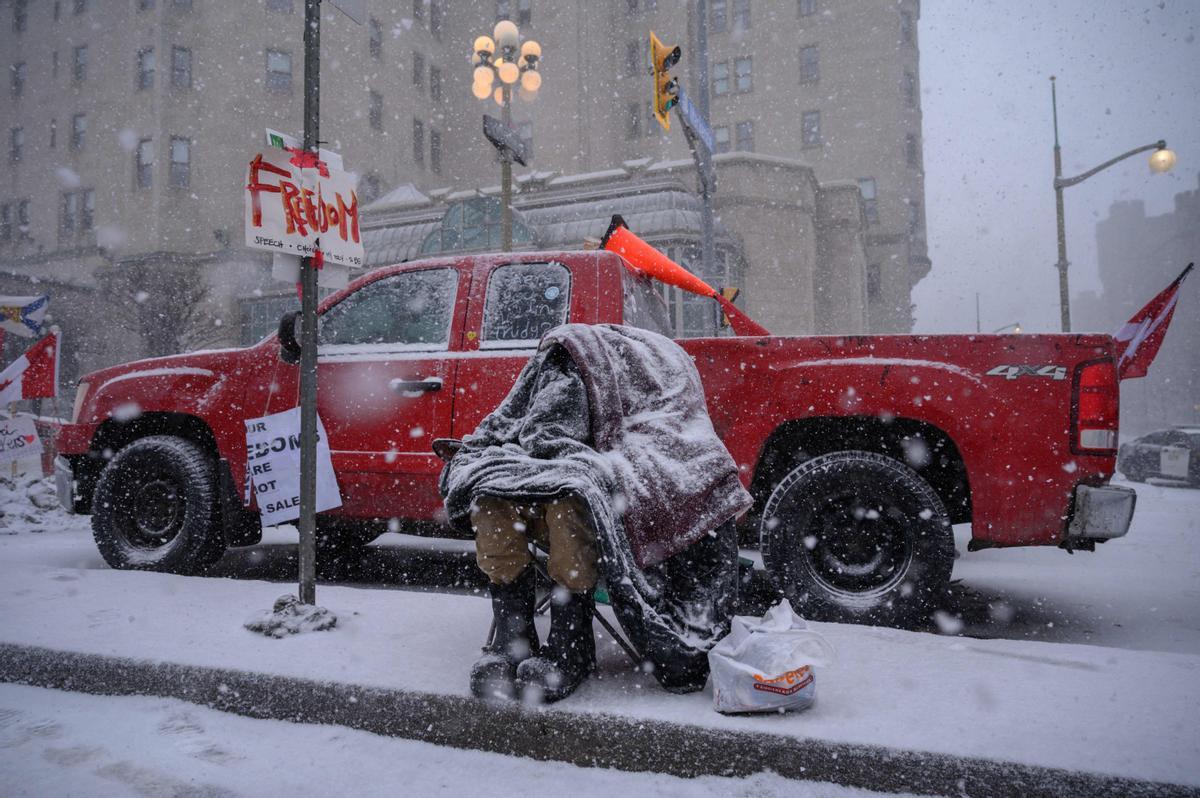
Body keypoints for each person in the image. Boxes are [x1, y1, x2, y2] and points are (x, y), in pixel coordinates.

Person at [440, 323, 752, 704]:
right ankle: (512, 636)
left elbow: (649, 455)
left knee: (569, 497)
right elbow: (508, 426)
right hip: (542, 504)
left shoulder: (642, 425)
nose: (564, 382)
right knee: (492, 495)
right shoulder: (553, 381)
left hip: (588, 514)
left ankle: (571, 643)